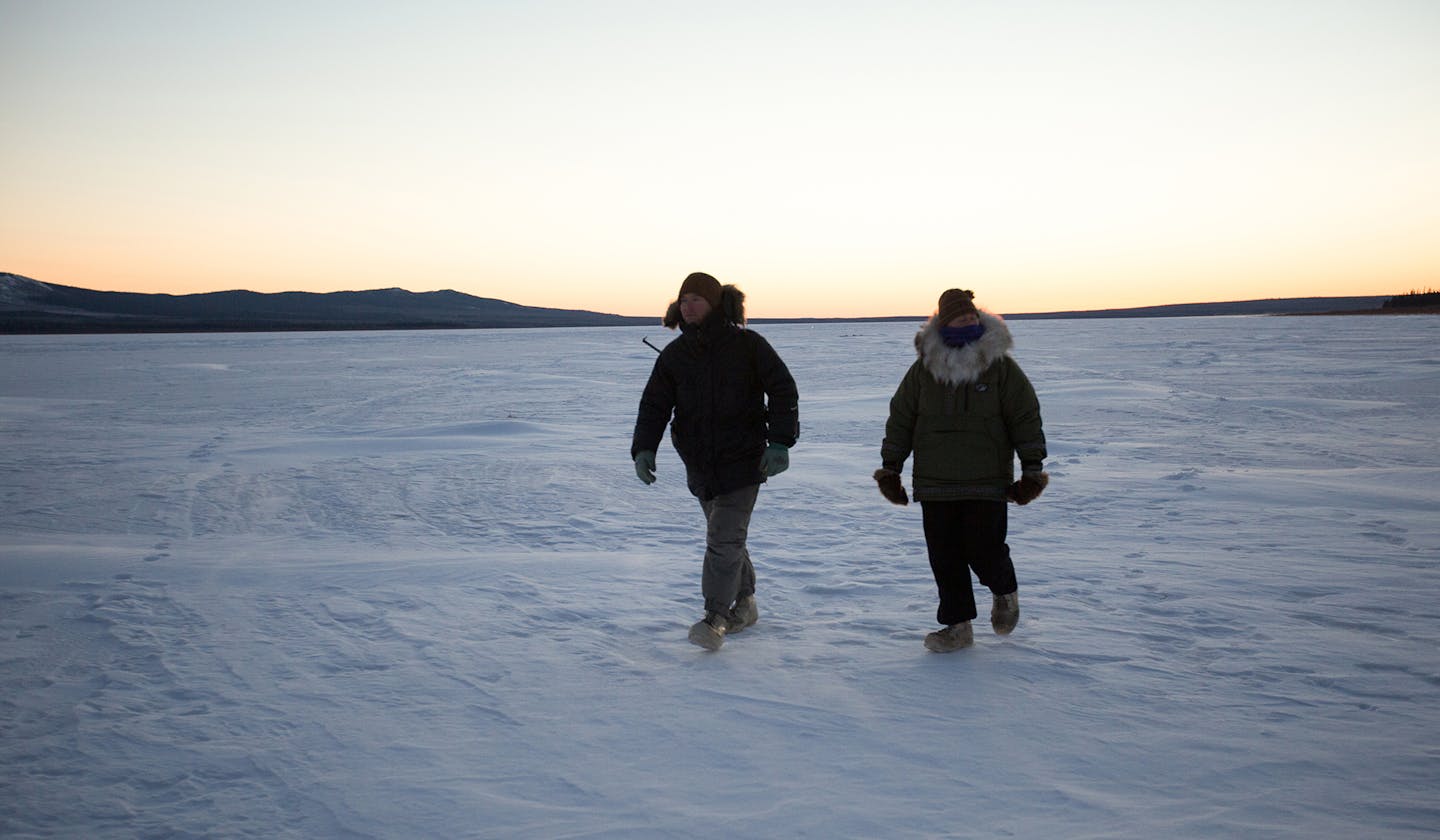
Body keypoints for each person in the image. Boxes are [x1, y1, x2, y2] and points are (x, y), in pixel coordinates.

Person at [632, 272, 799, 651]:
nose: (688, 307)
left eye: (696, 299)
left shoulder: (748, 346)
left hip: (744, 460)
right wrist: (644, 448)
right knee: (727, 537)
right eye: (683, 300)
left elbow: (783, 389)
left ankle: (716, 618)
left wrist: (780, 443)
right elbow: (654, 405)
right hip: (700, 463)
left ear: (715, 304)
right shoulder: (676, 354)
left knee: (722, 538)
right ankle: (747, 604)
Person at [874, 288, 1048, 652]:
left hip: (986, 480)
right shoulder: (923, 370)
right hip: (935, 482)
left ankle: (1004, 591)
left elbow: (1024, 416)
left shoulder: (1000, 367)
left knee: (984, 550)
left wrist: (1032, 468)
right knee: (945, 558)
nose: (967, 320)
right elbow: (901, 418)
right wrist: (891, 468)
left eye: (971, 315)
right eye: (959, 316)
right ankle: (957, 626)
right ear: (944, 321)